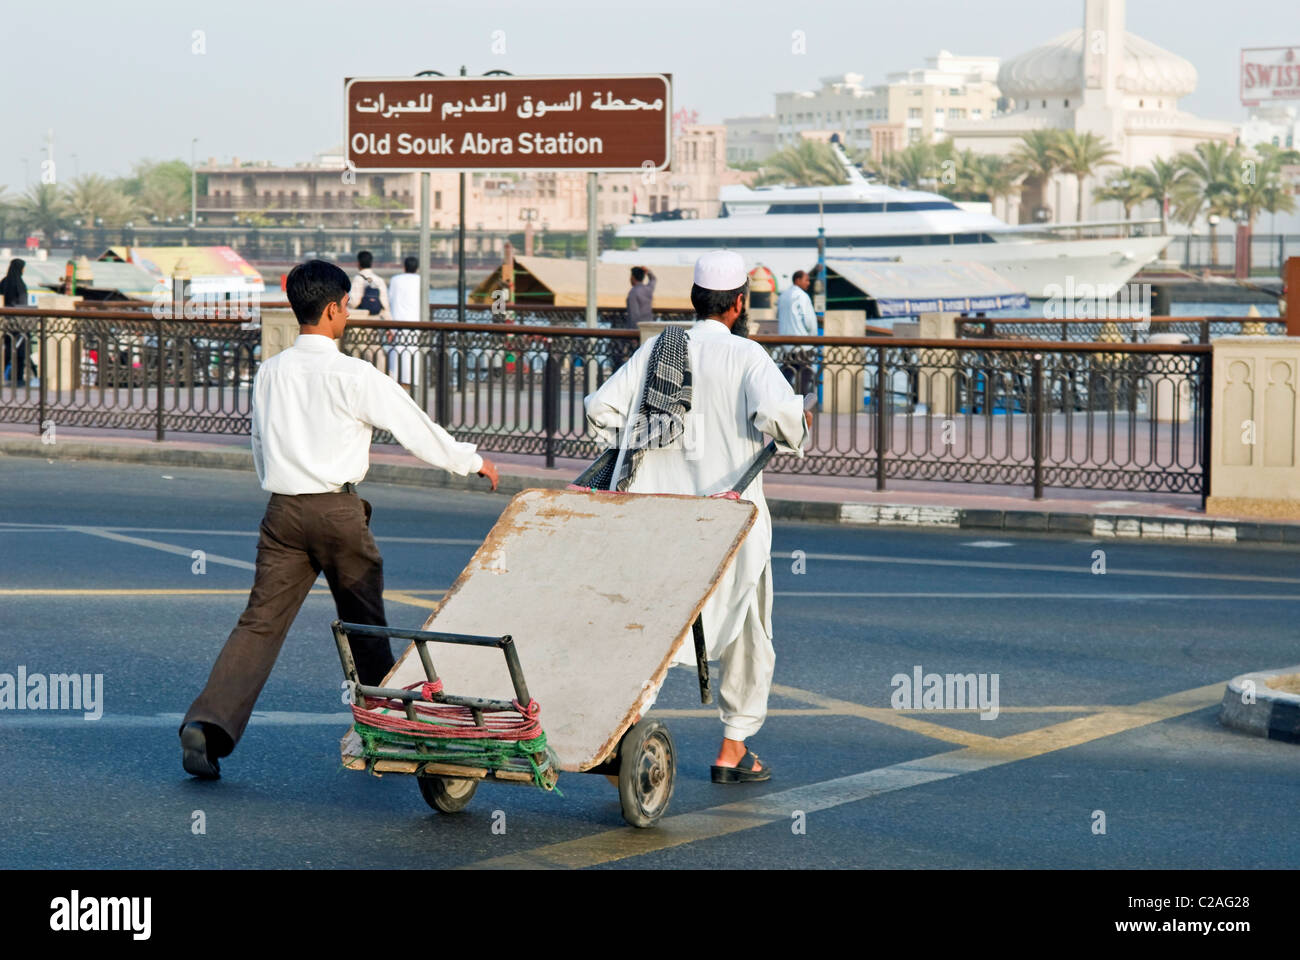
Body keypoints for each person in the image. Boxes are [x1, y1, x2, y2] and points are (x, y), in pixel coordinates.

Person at [179, 259, 500, 779]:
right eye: (347, 306)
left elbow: (259, 443)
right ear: (332, 309)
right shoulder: (354, 375)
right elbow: (415, 427)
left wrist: (281, 483)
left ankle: (208, 724)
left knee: (259, 624)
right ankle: (390, 731)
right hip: (337, 511)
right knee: (365, 626)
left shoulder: (270, 372)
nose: (348, 314)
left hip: (282, 512)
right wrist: (472, 461)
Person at [584, 250, 809, 784]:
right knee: (750, 631)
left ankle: (622, 731)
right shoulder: (748, 355)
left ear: (695, 300)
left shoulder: (659, 349)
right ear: (738, 304)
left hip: (658, 521)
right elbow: (782, 418)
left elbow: (599, 409)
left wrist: (639, 442)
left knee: (648, 632)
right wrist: (797, 424)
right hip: (729, 525)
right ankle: (733, 750)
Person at [776, 269, 817, 394]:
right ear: (798, 280)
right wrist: (813, 337)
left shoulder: (783, 296)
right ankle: (802, 402)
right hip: (803, 344)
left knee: (787, 375)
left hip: (786, 344)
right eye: (806, 280)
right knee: (805, 376)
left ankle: (784, 399)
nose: (808, 283)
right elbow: (809, 320)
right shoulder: (802, 296)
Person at [386, 255, 422, 385]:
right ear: (417, 268)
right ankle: (412, 380)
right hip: (416, 321)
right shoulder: (420, 280)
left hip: (397, 320)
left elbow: (389, 300)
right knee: (413, 351)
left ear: (404, 267)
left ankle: (396, 379)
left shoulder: (395, 280)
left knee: (397, 352)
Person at [1, 258, 30, 385]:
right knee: (20, 350)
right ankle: (18, 377)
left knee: (7, 349)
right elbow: (23, 303)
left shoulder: (4, 282)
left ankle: (6, 376)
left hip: (6, 322)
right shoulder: (20, 284)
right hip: (19, 323)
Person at [349, 250, 390, 322]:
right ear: (371, 263)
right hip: (376, 320)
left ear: (358, 263)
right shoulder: (379, 280)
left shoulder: (358, 279)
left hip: (361, 320)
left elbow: (353, 302)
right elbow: (385, 304)